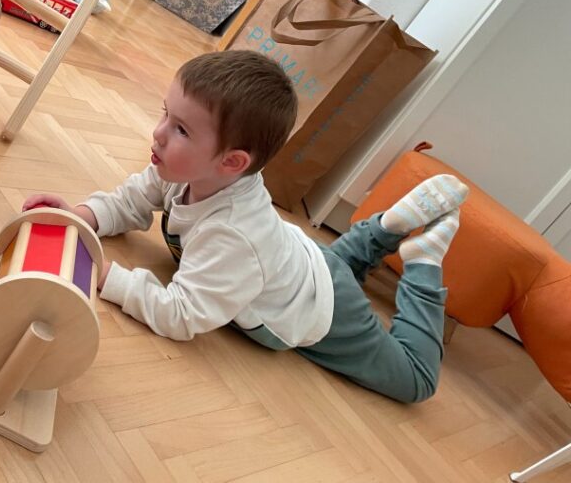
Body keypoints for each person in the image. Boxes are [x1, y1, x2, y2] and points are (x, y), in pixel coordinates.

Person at [25, 50, 467, 403]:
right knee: (334, 265)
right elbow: (131, 200)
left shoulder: (233, 235)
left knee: (416, 381)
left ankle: (423, 263)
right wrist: (81, 217)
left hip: (320, 308)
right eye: (165, 114)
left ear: (232, 162)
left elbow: (182, 314)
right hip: (295, 259)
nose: (158, 133)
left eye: (181, 130)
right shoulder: (181, 171)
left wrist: (106, 276)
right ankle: (383, 229)